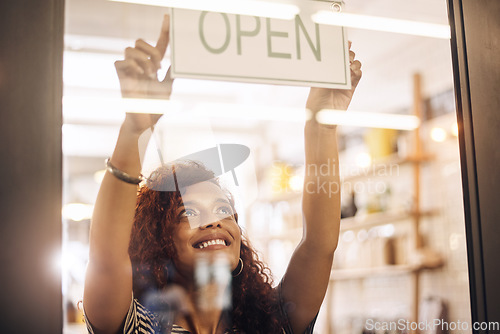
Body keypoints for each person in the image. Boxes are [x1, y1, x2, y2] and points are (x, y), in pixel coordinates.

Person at [83, 14, 362, 334]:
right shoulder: (139, 328)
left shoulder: (268, 323)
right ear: (160, 241)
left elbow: (318, 243)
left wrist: (321, 128)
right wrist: (134, 131)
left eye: (223, 210)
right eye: (187, 212)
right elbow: (106, 257)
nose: (213, 220)